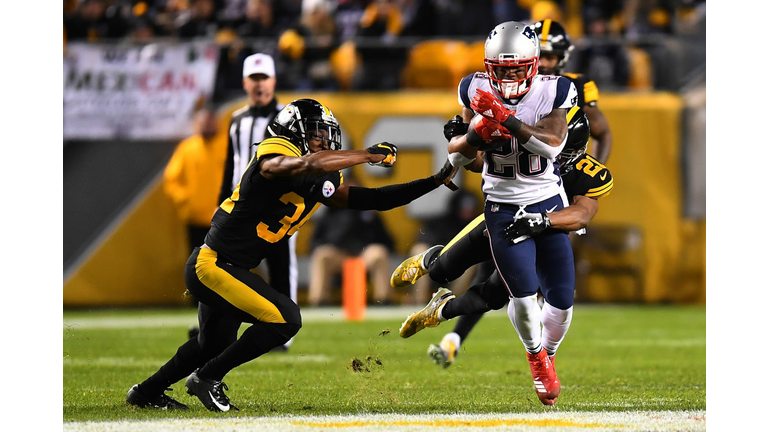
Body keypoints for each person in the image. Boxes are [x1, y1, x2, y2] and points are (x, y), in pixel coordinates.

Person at [126, 98, 459, 411]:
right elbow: (301, 163)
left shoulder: (316, 172)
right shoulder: (276, 151)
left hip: (230, 268)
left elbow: (375, 199)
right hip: (211, 265)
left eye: (326, 138)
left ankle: (145, 392)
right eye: (317, 137)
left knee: (212, 343)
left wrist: (434, 180)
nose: (324, 143)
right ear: (295, 133)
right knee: (285, 318)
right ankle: (207, 378)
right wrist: (366, 155)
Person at [398, 21, 579, 406]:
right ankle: (536, 360)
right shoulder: (474, 87)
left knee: (562, 303)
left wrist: (506, 119)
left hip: (547, 200)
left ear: (533, 64)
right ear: (488, 66)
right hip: (502, 206)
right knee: (523, 298)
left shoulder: (557, 89)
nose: (510, 75)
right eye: (503, 68)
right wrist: (473, 136)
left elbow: (552, 145)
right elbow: (467, 158)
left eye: (518, 68)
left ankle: (547, 353)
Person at [393, 108, 612, 377]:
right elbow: (477, 162)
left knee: (495, 295)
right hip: (501, 221)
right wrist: (466, 140)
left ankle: (440, 312)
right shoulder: (525, 143)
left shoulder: (587, 173)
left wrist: (543, 220)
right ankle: (430, 262)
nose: (557, 158)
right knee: (444, 271)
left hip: (540, 235)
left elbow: (582, 214)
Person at [218, 52, 298, 351]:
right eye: (254, 78)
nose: (260, 84)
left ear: (274, 81)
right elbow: (232, 163)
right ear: (245, 82)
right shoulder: (236, 118)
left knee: (281, 266)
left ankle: (284, 332)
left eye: (264, 78)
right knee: (225, 268)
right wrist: (221, 200)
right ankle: (215, 325)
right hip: (239, 207)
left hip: (274, 206)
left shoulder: (286, 118)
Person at [532, 19, 613, 163]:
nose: (542, 64)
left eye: (549, 57)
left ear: (562, 57)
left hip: (564, 177)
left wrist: (595, 170)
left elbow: (602, 133)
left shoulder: (577, 86)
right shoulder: (512, 87)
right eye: (539, 56)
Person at [307, 187, 396, 306]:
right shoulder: (330, 212)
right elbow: (315, 241)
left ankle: (383, 300)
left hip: (364, 256)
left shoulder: (370, 212)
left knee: (379, 252)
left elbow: (387, 240)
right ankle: (318, 301)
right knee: (321, 254)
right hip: (338, 255)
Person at [163, 105, 226, 254]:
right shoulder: (187, 148)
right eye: (203, 122)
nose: (207, 125)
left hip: (225, 218)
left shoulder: (228, 146)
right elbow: (171, 179)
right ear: (196, 124)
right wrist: (185, 199)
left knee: (226, 263)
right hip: (196, 219)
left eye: (211, 121)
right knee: (198, 263)